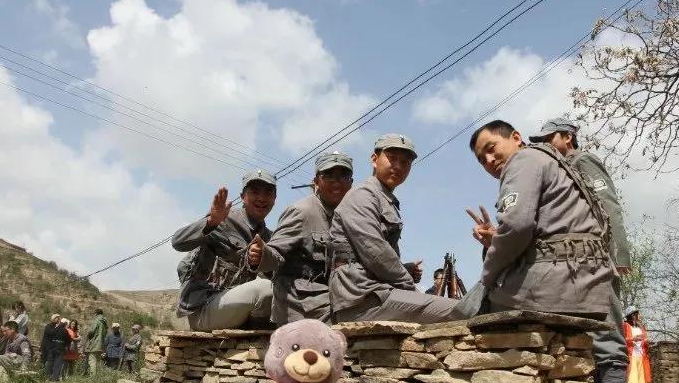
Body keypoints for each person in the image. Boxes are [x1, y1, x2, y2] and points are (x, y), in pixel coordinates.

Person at [527, 118, 630, 383]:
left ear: (568, 137)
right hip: (572, 264)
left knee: (607, 337)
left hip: (598, 258)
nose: (545, 145)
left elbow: (609, 205)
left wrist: (618, 254)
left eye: (550, 138)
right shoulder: (555, 170)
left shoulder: (583, 161)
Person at [467, 120, 615, 320]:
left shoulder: (522, 160)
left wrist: (487, 277)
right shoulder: (548, 161)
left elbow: (517, 227)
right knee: (606, 349)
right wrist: (496, 238)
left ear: (516, 138)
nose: (489, 160)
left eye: (491, 149)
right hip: (588, 278)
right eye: (482, 160)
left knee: (466, 314)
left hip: (557, 284)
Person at [329, 134, 468, 323]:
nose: (398, 166)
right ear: (374, 159)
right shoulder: (362, 196)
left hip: (377, 293)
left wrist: (403, 269)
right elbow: (375, 252)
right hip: (362, 299)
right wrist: (411, 288)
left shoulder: (384, 198)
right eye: (392, 158)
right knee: (463, 310)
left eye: (405, 162)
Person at [254, 151, 354, 325]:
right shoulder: (302, 212)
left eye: (343, 176)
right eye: (329, 176)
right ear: (316, 182)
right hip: (300, 303)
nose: (337, 182)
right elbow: (275, 253)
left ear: (351, 183)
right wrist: (261, 255)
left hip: (331, 297)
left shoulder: (349, 217)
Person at [173, 170, 276, 331]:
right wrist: (211, 221)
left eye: (268, 193)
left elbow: (280, 278)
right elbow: (178, 242)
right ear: (243, 196)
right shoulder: (223, 219)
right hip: (204, 308)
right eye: (255, 192)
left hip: (234, 309)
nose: (261, 198)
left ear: (275, 199)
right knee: (264, 290)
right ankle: (256, 343)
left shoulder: (268, 237)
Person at [623, 307, 651, 383]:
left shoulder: (641, 327)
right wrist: (633, 338)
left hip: (642, 357)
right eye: (637, 313)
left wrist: (646, 341)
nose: (639, 315)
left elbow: (645, 341)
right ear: (633, 315)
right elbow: (622, 340)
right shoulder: (625, 326)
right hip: (632, 356)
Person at [41, 314, 70, 381]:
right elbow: (68, 340)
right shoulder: (51, 327)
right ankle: (53, 377)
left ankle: (48, 377)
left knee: (51, 362)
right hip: (54, 347)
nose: (58, 320)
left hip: (52, 347)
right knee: (56, 363)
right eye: (57, 318)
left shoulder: (54, 328)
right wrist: (65, 345)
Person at [84, 309, 108, 375]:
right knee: (97, 361)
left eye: (94, 314)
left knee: (92, 360)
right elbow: (105, 333)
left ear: (96, 314)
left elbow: (92, 331)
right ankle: (97, 377)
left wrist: (88, 334)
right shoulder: (105, 322)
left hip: (95, 343)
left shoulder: (97, 320)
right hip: (101, 344)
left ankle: (93, 378)